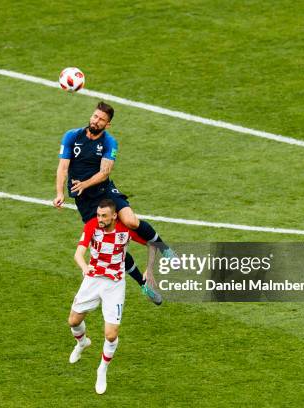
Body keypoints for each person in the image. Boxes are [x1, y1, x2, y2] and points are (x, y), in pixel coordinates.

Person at [53, 101, 174, 305]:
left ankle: (165, 249)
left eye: (101, 119)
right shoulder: (72, 136)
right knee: (112, 244)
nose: (96, 120)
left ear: (107, 124)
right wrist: (59, 193)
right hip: (86, 203)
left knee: (132, 221)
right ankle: (144, 284)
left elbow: (104, 172)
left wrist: (85, 183)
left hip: (105, 191)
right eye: (94, 116)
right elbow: (62, 167)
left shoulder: (110, 143)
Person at [68, 199, 156, 394]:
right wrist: (84, 268)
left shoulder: (126, 230)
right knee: (73, 321)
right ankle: (82, 342)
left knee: (111, 334)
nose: (100, 219)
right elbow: (78, 254)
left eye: (104, 216)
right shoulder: (92, 225)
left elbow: (152, 243)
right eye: (98, 215)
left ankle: (102, 369)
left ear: (114, 216)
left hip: (114, 285)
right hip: (92, 280)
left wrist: (149, 270)